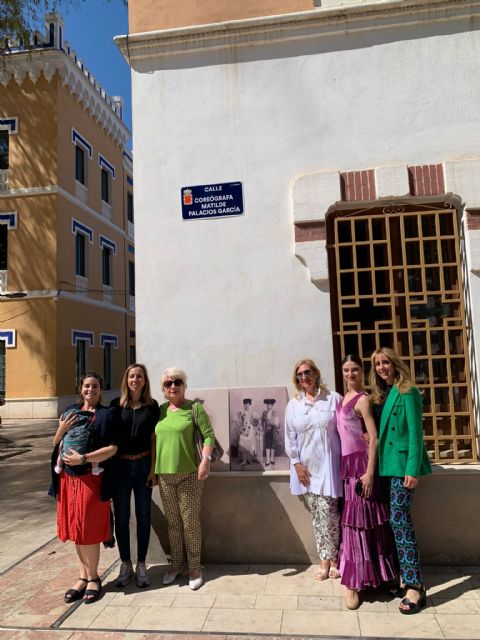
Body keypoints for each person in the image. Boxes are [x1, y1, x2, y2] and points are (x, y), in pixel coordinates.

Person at [370, 347, 432, 615]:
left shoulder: (408, 390)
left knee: (400, 522)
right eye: (377, 364)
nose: (382, 367)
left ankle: (415, 586)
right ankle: (405, 578)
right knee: (395, 523)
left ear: (395, 363)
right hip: (388, 467)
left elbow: (416, 433)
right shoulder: (389, 392)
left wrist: (413, 469)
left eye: (385, 362)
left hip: (403, 468)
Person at [337, 355, 398, 610]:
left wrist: (370, 473)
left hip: (362, 467)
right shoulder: (342, 399)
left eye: (355, 369)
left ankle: (380, 576)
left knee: (368, 522)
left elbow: (373, 438)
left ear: (362, 372)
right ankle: (355, 580)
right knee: (354, 523)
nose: (350, 374)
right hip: (347, 466)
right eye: (346, 370)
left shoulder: (362, 400)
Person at [51, 372, 117, 604]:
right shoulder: (71, 412)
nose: (91, 390)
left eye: (95, 386)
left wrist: (84, 458)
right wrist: (60, 429)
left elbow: (112, 449)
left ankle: (94, 578)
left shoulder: (107, 414)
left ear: (101, 389)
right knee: (77, 528)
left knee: (88, 529)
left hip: (91, 478)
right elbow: (55, 443)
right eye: (87, 386)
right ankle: (82, 576)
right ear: (81, 389)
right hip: (68, 480)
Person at [154, 367, 215, 590]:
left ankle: (195, 567)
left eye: (177, 382)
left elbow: (208, 436)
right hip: (165, 475)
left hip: (190, 474)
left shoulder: (194, 408)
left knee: (190, 523)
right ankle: (176, 565)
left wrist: (205, 461)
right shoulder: (159, 411)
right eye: (168, 383)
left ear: (184, 385)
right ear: (163, 389)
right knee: (173, 523)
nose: (173, 386)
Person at [285, 359, 342, 580]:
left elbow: (346, 428)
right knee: (318, 517)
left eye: (307, 372)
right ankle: (325, 558)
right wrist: (297, 464)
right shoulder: (294, 405)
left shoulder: (333, 399)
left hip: (329, 468)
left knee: (330, 514)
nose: (304, 377)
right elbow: (289, 438)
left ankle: (333, 558)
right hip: (306, 471)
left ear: (316, 373)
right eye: (299, 375)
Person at [110, 364, 160, 588]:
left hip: (143, 465)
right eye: (131, 376)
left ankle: (141, 564)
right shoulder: (115, 406)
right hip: (120, 467)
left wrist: (153, 470)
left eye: (139, 376)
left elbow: (153, 440)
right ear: (126, 380)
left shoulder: (152, 407)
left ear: (144, 381)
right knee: (121, 517)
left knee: (143, 516)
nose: (135, 380)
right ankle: (125, 563)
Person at [235, 399, 261, 467]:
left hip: (251, 430)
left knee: (250, 445)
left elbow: (258, 420)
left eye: (248, 404)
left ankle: (249, 459)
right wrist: (239, 418)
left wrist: (256, 426)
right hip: (243, 430)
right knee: (243, 444)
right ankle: (244, 460)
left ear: (250, 404)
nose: (246, 405)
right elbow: (238, 421)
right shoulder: (241, 412)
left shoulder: (253, 413)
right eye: (245, 404)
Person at [262, 399, 280, 466]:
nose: (268, 406)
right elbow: (262, 421)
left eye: (270, 405)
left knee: (272, 445)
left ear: (272, 405)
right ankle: (268, 460)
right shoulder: (264, 413)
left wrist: (275, 425)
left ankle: (272, 459)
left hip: (273, 430)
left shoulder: (274, 413)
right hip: (266, 430)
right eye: (267, 405)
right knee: (267, 445)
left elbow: (277, 421)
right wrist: (262, 428)